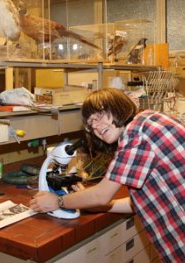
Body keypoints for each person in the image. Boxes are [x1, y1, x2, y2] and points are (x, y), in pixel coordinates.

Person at [30, 88, 185, 263]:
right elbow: (142, 202)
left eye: (99, 116)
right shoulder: (149, 121)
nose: (95, 126)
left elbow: (101, 195)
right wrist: (97, 204)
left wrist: (56, 201)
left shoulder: (136, 134)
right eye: (90, 124)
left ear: (118, 107)